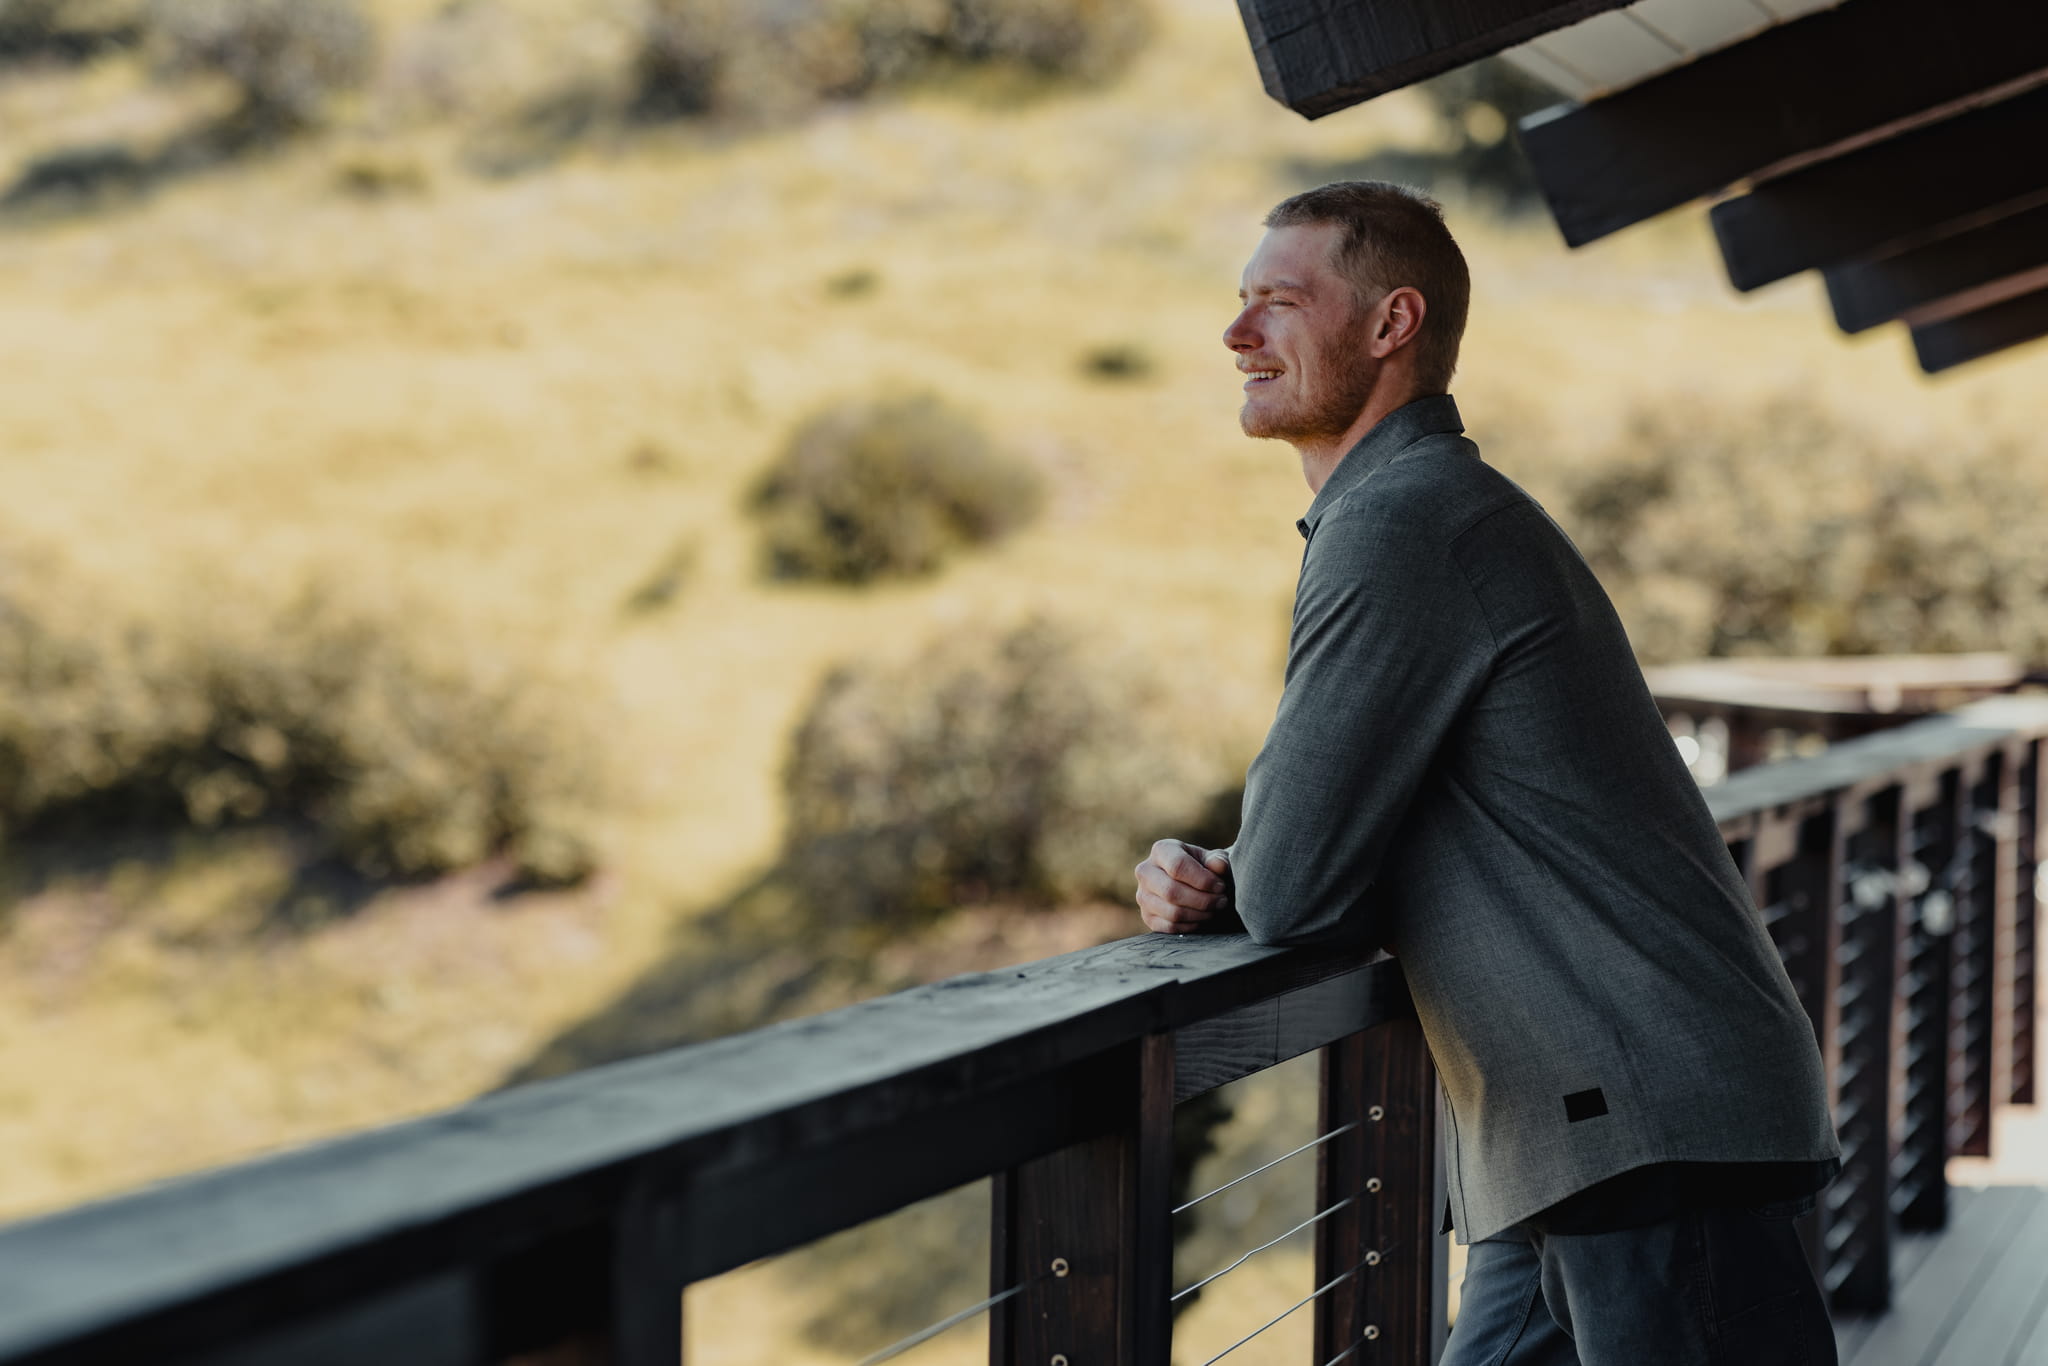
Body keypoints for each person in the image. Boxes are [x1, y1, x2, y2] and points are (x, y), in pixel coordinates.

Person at [1132, 181, 1842, 1366]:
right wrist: (1232, 871)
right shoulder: (1431, 508)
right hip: (1569, 1143)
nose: (1235, 334)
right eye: (1238, 302)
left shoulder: (1404, 522)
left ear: (1389, 323)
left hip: (1641, 1134)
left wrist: (1241, 872)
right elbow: (1328, 857)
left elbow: (1300, 885)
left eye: (1278, 302)